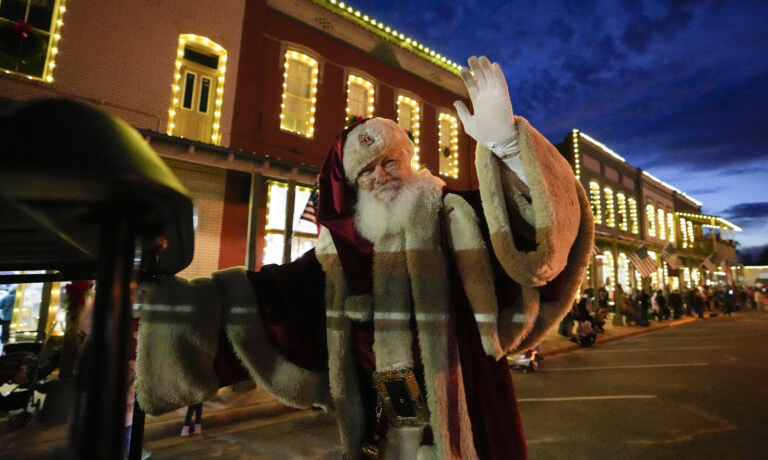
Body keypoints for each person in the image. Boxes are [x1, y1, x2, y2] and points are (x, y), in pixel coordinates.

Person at [136, 56, 594, 460]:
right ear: (354, 184)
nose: (381, 176)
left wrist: (509, 149)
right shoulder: (340, 255)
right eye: (367, 170)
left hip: (469, 418)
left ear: (409, 161)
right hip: (384, 433)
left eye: (391, 162)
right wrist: (170, 305)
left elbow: (532, 232)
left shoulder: (455, 217)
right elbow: (272, 302)